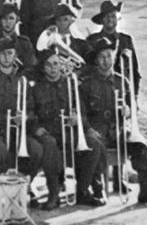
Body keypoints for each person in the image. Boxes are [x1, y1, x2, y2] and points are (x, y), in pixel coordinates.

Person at [81, 38, 147, 206]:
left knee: (141, 146)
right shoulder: (87, 84)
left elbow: (132, 109)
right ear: (96, 60)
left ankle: (146, 191)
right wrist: (88, 129)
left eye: (109, 56)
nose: (106, 60)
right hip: (97, 128)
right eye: (102, 57)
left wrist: (128, 111)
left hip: (118, 128)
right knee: (96, 145)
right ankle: (98, 191)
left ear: (114, 57)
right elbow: (81, 113)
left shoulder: (122, 81)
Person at [30, 49, 106, 209]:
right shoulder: (36, 88)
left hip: (69, 132)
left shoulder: (71, 85)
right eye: (49, 65)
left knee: (93, 144)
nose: (53, 68)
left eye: (56, 64)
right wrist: (36, 128)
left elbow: (82, 112)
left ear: (61, 65)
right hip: (48, 132)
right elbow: (30, 112)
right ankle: (54, 194)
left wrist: (77, 119)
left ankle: (82, 191)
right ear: (43, 68)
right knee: (49, 144)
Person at [0, 37, 43, 182]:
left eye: (10, 53)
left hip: (16, 133)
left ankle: (24, 185)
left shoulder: (22, 82)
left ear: (15, 55)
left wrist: (25, 118)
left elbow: (31, 109)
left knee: (36, 150)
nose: (6, 57)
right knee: (0, 152)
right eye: (2, 54)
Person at [86, 0, 140, 94]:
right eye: (106, 16)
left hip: (122, 89)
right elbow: (87, 68)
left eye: (113, 16)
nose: (110, 19)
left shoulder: (126, 40)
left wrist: (134, 95)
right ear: (102, 19)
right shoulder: (92, 40)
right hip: (98, 89)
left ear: (118, 18)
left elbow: (134, 70)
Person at [0, 3, 37, 76]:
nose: (8, 22)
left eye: (11, 18)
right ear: (0, 20)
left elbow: (32, 67)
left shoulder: (24, 43)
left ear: (17, 19)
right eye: (4, 18)